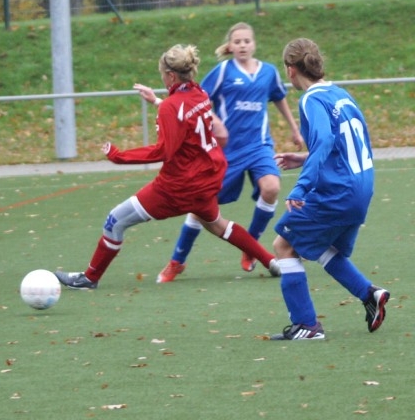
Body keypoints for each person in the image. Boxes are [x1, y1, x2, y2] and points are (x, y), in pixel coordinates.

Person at [55, 44, 279, 290]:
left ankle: (90, 278)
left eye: (162, 74)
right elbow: (185, 115)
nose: (162, 78)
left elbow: (163, 150)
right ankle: (270, 261)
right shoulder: (200, 94)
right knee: (216, 224)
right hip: (206, 181)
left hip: (177, 187)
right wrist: (157, 101)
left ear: (171, 76)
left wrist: (119, 156)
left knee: (115, 221)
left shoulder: (173, 107)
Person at [136, 22, 302, 282]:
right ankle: (177, 261)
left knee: (271, 187)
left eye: (247, 40)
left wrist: (295, 129)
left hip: (259, 146)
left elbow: (279, 98)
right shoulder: (223, 72)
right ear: (230, 46)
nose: (243, 45)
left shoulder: (268, 72)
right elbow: (196, 101)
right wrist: (164, 103)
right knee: (200, 208)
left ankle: (252, 249)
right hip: (225, 152)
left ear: (254, 43)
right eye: (237, 41)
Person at [268, 38, 389, 340]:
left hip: (339, 191)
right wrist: (304, 159)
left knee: (284, 246)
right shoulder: (340, 94)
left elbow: (323, 140)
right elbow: (346, 144)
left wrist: (301, 188)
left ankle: (306, 325)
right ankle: (369, 294)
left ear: (291, 70)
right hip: (362, 187)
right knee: (321, 246)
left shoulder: (311, 99)